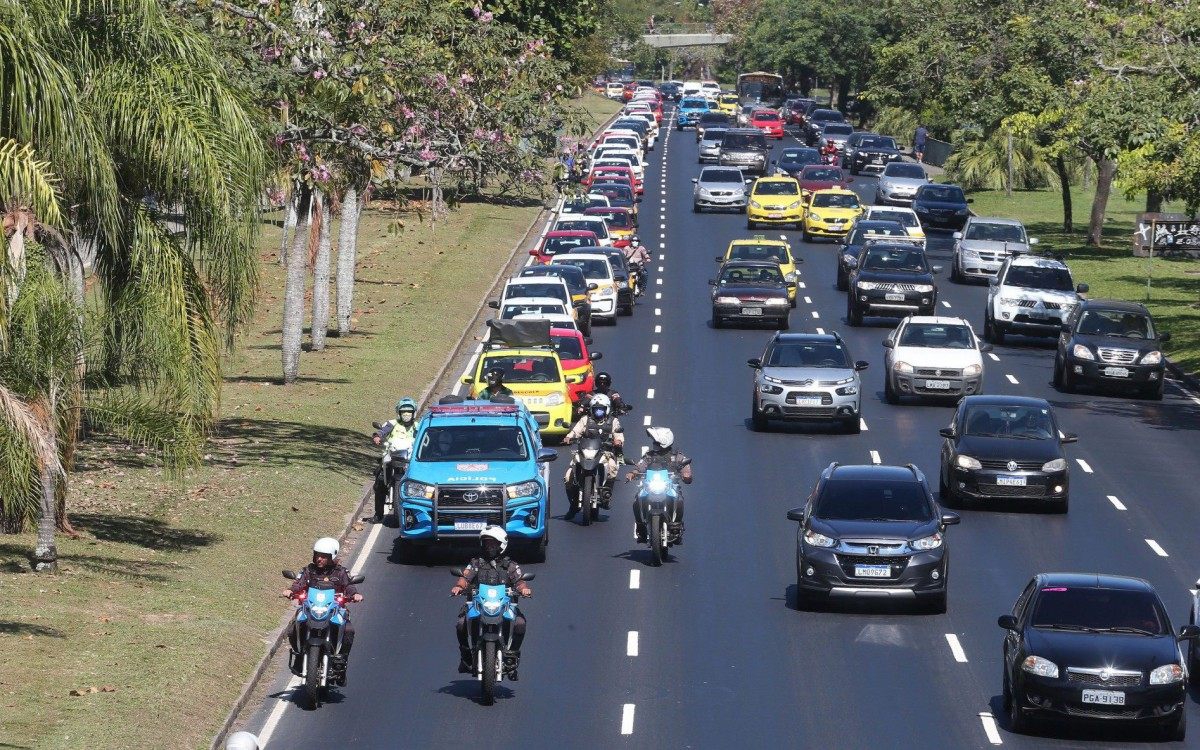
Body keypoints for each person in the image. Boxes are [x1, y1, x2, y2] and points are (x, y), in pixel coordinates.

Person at [451, 527, 532, 679]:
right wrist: (459, 586)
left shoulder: (510, 566)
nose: (489, 547)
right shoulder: (476, 563)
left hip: (505, 606)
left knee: (520, 623)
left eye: (493, 544)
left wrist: (524, 589)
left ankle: (512, 656)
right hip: (478, 605)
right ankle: (466, 656)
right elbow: (465, 577)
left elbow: (520, 581)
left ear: (501, 545)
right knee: (461, 624)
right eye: (487, 544)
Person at [284, 537, 363, 685]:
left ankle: (341, 662)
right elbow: (298, 583)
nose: (319, 559)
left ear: (332, 557)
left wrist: (354, 595)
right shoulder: (309, 570)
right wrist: (290, 590)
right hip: (310, 609)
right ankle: (299, 656)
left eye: (324, 556)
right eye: (317, 555)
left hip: (334, 610)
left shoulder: (340, 572)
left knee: (349, 630)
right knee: (293, 628)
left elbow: (349, 586)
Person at [625, 426, 693, 544]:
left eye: (656, 442)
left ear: (664, 443)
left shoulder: (677, 456)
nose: (654, 444)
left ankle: (676, 526)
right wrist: (633, 473)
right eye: (654, 442)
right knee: (636, 501)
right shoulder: (649, 456)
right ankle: (641, 528)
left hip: (670, 487)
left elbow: (685, 466)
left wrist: (686, 474)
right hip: (650, 486)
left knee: (680, 500)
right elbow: (640, 466)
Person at [562, 393, 624, 517]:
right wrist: (568, 437)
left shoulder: (613, 421)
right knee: (568, 476)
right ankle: (573, 505)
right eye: (596, 409)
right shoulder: (585, 419)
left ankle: (606, 495)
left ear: (606, 409)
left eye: (601, 409)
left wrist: (618, 441)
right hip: (585, 451)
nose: (598, 411)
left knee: (612, 468)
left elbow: (618, 434)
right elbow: (576, 431)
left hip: (605, 453)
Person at [369, 398, 418, 524]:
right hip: (391, 456)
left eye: (409, 411)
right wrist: (377, 437)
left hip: (410, 458)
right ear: (398, 412)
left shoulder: (418, 426)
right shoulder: (392, 423)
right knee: (379, 482)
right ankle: (378, 515)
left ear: (414, 412)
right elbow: (382, 431)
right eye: (403, 411)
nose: (406, 414)